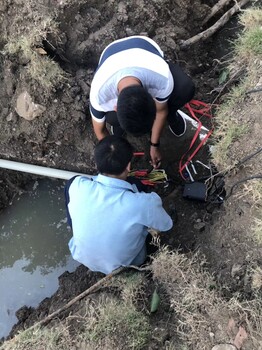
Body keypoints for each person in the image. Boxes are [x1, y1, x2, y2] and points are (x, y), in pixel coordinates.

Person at [65, 135, 173, 275]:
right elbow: (166, 225)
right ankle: (141, 265)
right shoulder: (143, 203)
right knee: (145, 235)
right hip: (125, 263)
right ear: (128, 166)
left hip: (84, 258)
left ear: (97, 164)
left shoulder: (76, 185)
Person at [89, 35, 195, 169]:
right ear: (115, 107)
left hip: (146, 50)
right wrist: (119, 157)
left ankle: (172, 115)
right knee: (111, 119)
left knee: (185, 89)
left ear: (152, 99)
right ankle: (119, 125)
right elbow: (100, 130)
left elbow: (161, 111)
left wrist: (154, 145)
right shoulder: (99, 94)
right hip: (110, 57)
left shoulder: (161, 78)